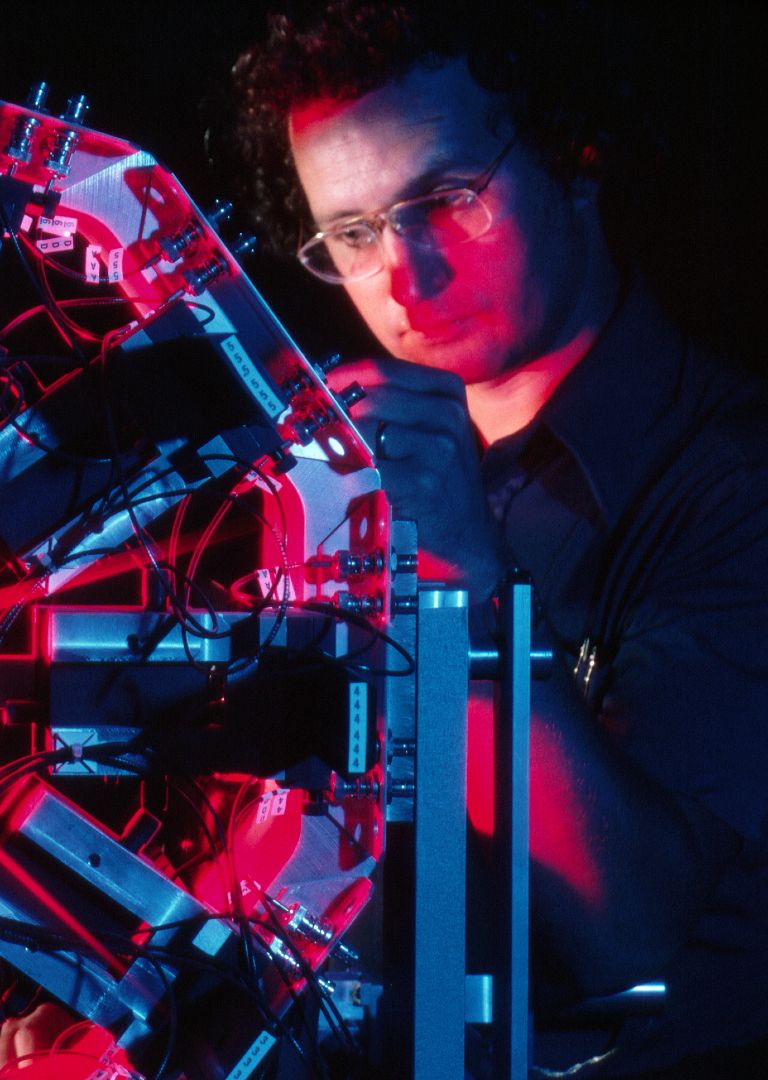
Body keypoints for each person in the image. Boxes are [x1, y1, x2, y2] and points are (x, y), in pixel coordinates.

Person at [231, 1, 768, 1074]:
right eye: (352, 232)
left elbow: (641, 941)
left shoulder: (733, 484)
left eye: (446, 198)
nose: (405, 275)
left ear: (577, 156)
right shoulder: (348, 494)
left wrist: (468, 587)